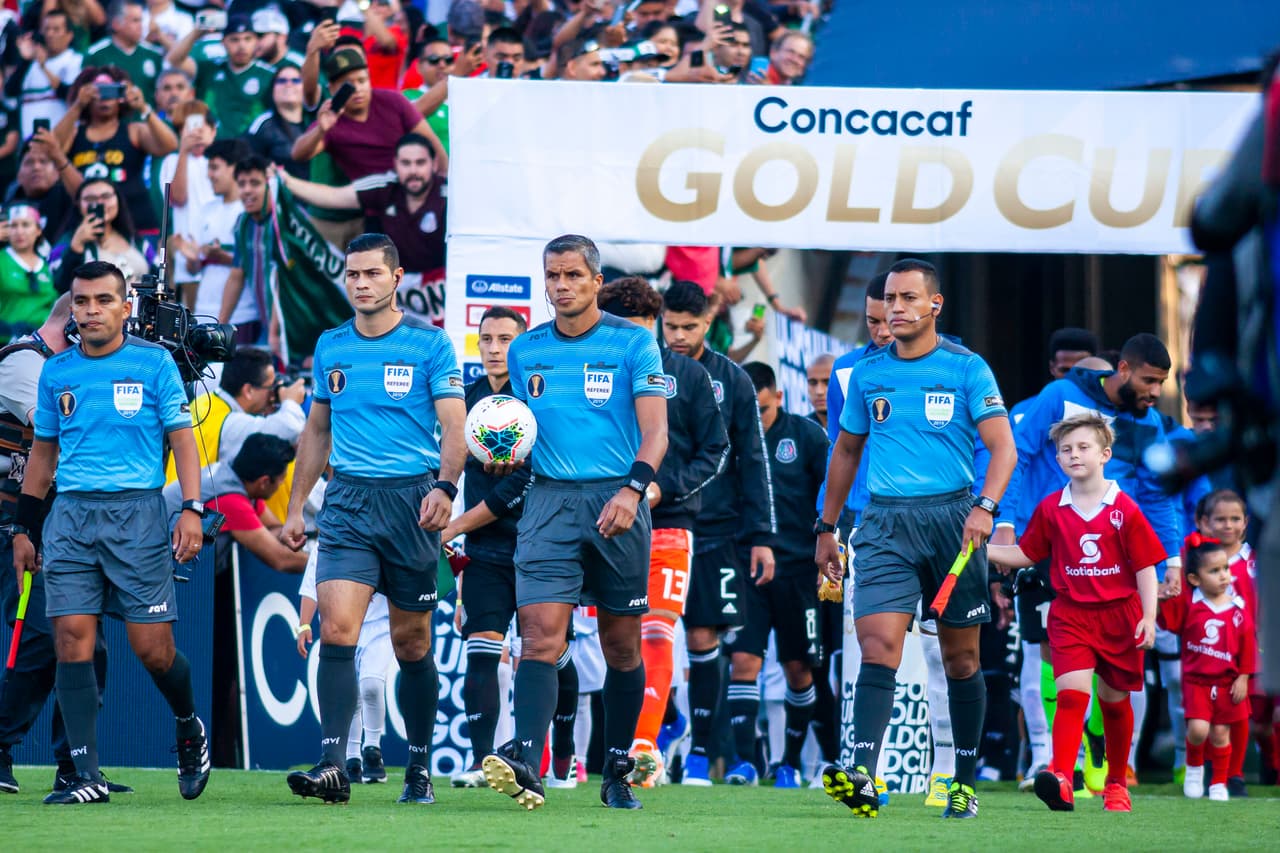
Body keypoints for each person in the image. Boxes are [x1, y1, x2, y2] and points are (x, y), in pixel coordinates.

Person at [817, 258, 1016, 820]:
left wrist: (985, 507)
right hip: (882, 523)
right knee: (879, 643)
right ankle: (861, 772)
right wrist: (826, 527)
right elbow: (847, 451)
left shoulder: (967, 368)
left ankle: (964, 783)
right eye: (889, 299)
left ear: (935, 305)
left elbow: (1003, 448)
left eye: (908, 298)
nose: (895, 309)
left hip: (953, 522)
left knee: (960, 659)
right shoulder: (868, 373)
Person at [11, 260, 211, 805]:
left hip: (138, 516)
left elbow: (184, 440)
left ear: (126, 307)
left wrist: (191, 508)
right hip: (71, 517)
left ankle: (189, 726)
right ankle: (85, 774)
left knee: (153, 650)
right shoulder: (57, 371)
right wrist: (24, 527)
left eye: (103, 300)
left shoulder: (155, 363)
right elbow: (43, 455)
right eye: (81, 302)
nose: (92, 310)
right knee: (70, 639)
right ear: (71, 308)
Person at [481, 234, 668, 811]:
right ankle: (525, 759)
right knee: (539, 637)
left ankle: (615, 771)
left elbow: (657, 433)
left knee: (621, 647)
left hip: (618, 503)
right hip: (548, 505)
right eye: (552, 276)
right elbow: (520, 431)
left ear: (594, 281)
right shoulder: (526, 350)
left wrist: (633, 491)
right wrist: (502, 449)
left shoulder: (634, 343)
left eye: (571, 276)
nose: (560, 286)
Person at [281, 233, 466, 806]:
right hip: (348, 503)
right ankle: (334, 762)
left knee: (412, 644)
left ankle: (416, 767)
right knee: (337, 630)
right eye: (351, 274)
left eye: (370, 274)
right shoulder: (331, 345)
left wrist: (445, 487)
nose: (359, 284)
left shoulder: (430, 345)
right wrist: (295, 504)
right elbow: (316, 430)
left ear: (396, 278)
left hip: (412, 503)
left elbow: (455, 429)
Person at [988, 413, 1165, 813]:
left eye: (1083, 447)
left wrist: (1149, 617)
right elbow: (1027, 554)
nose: (1073, 455)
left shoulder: (1125, 508)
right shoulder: (1051, 508)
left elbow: (1144, 567)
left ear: (1105, 454)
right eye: (1065, 449)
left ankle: (1118, 784)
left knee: (1114, 702)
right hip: (1070, 615)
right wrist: (982, 549)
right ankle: (1062, 778)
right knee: (1071, 695)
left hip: (1121, 616)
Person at [595, 276, 728, 788]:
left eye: (642, 329)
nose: (634, 339)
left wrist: (659, 489)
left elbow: (715, 453)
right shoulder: (589, 371)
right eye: (622, 329)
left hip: (669, 524)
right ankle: (568, 755)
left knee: (657, 633)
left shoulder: (687, 377)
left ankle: (644, 749)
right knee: (605, 640)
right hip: (598, 522)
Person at [0, 295, 131, 797]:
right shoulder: (22, 363)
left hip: (64, 526)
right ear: (74, 323)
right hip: (15, 525)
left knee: (87, 642)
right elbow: (58, 430)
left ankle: (77, 766)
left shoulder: (69, 368)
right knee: (36, 637)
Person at [660, 278, 776, 786]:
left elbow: (753, 459)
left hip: (714, 530)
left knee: (704, 637)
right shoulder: (648, 371)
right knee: (646, 636)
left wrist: (763, 536)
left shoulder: (733, 381)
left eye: (690, 327)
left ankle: (703, 754)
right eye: (671, 327)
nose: (680, 336)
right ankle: (666, 724)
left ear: (710, 322)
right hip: (651, 522)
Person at [440, 306, 534, 788]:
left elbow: (518, 485)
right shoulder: (467, 401)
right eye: (487, 339)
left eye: (505, 339)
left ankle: (559, 757)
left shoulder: (536, 396)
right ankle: (484, 762)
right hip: (485, 553)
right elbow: (449, 465)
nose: (495, 348)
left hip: (540, 547)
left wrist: (452, 526)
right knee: (481, 653)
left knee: (548, 656)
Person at [731, 361, 828, 788]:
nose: (755, 416)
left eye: (763, 408)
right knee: (743, 662)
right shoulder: (732, 437)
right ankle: (745, 762)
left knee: (798, 669)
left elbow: (831, 493)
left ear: (779, 398)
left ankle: (787, 762)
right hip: (745, 567)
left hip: (797, 571)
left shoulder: (806, 436)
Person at [278, 132, 446, 324]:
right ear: (396, 165)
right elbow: (334, 196)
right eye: (406, 163)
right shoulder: (385, 186)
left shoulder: (450, 195)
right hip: (396, 297)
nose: (413, 170)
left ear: (434, 164)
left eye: (420, 163)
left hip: (440, 300)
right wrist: (286, 181)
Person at [1157, 535, 1255, 801]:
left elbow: (1247, 646)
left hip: (1227, 682)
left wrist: (1244, 677)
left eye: (1225, 569)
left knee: (1222, 732)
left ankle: (1219, 783)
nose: (1224, 575)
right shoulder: (1191, 606)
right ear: (1195, 580)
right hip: (1197, 682)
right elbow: (1168, 622)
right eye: (1214, 571)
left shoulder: (1238, 609)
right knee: (1199, 730)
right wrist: (1159, 602)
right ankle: (1194, 768)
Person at [295, 546, 394, 784]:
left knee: (371, 684)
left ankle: (373, 748)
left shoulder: (384, 524)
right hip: (343, 623)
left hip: (381, 624)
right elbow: (312, 582)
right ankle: (352, 758)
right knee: (351, 692)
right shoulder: (332, 531)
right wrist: (304, 624)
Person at [1194, 489, 1266, 794]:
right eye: (1219, 519)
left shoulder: (1254, 561)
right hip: (1207, 652)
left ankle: (1235, 774)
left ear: (1245, 522)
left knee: (1239, 713)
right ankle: (1207, 769)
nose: (1227, 525)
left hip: (1247, 652)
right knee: (1204, 715)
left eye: (1234, 519)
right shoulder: (1196, 560)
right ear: (1205, 523)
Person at [290, 46, 447, 182]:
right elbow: (298, 154)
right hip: (365, 200)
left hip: (410, 188)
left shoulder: (393, 101)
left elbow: (433, 144)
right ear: (332, 89)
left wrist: (444, 182)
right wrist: (320, 130)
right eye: (348, 85)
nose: (358, 89)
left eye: (362, 80)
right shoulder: (331, 118)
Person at [56, 67, 176, 237]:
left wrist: (143, 108)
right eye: (97, 92)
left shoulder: (134, 130)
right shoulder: (74, 133)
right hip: (86, 222)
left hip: (135, 218)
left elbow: (169, 145)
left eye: (111, 91)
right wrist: (77, 105)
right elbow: (53, 149)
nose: (105, 99)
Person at [170, 137, 249, 318]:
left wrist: (223, 258)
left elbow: (257, 263)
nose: (209, 175)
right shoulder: (207, 210)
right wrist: (192, 259)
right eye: (208, 168)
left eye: (214, 168)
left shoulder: (248, 211)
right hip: (204, 312)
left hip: (242, 313)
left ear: (235, 168)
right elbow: (195, 270)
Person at [167, 14, 276, 137]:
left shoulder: (269, 75)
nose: (241, 46)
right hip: (209, 143)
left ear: (256, 41)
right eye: (234, 40)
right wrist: (196, 33)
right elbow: (174, 61)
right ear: (223, 42)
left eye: (247, 39)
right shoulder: (210, 68)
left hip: (250, 147)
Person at [51, 178, 150, 292]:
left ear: (118, 200)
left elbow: (158, 275)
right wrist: (75, 248)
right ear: (78, 204)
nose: (99, 203)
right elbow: (59, 286)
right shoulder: (66, 241)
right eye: (90, 199)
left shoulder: (136, 241)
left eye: (106, 196)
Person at [216, 155, 273, 344]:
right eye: (241, 184)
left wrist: (276, 332)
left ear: (270, 184)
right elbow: (236, 276)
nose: (247, 190)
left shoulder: (284, 223)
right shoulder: (244, 223)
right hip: (267, 326)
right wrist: (219, 328)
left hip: (294, 326)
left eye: (255, 183)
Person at [8, 11, 83, 139]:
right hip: (30, 145)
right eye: (46, 29)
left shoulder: (76, 61)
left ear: (69, 35)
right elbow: (10, 91)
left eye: (56, 29)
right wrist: (26, 61)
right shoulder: (30, 63)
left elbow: (71, 96)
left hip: (62, 141)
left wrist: (44, 68)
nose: (49, 34)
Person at [86, 0, 167, 104]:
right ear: (116, 24)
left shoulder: (154, 55)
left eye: (141, 21)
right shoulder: (95, 55)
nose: (140, 26)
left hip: (146, 119)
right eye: (135, 21)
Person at [4, 136, 82, 243]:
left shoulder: (70, 197)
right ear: (18, 174)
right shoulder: (7, 208)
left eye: (43, 161)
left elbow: (85, 194)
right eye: (29, 162)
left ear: (57, 171)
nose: (36, 167)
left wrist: (59, 157)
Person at [245, 65, 315, 179]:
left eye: (296, 80)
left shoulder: (316, 121)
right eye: (282, 81)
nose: (289, 84)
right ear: (272, 89)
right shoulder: (262, 125)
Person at [0, 204, 57, 336]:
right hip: (6, 340)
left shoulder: (48, 263)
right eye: (13, 226)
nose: (19, 231)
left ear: (38, 230)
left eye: (25, 225)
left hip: (43, 340)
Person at [806, 353, 833, 430]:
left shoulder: (863, 426)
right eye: (813, 383)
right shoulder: (799, 430)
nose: (819, 391)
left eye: (827, 383)